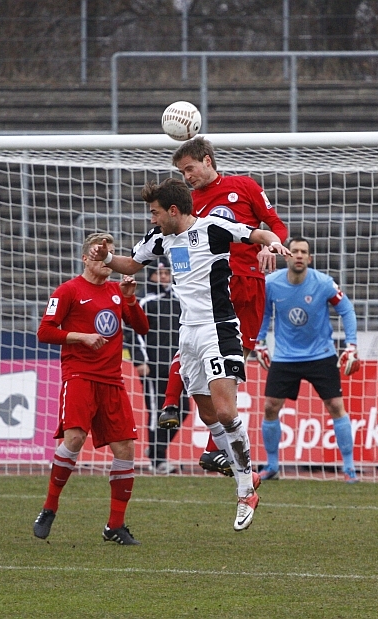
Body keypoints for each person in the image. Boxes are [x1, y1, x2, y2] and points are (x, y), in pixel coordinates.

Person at [94, 178, 291, 531]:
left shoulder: (212, 228)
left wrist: (274, 242)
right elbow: (130, 264)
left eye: (154, 212)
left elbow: (255, 234)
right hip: (189, 335)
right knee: (205, 409)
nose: (151, 219)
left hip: (219, 328)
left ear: (173, 210)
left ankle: (246, 489)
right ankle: (239, 470)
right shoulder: (160, 239)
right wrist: (106, 257)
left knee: (227, 411)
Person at [157, 136, 291, 478]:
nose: (187, 176)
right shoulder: (185, 205)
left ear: (207, 161)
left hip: (249, 284)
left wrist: (272, 247)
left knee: (233, 360)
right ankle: (172, 405)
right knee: (193, 338)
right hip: (212, 288)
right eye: (181, 172)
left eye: (189, 168)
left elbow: (275, 226)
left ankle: (214, 446)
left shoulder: (243, 186)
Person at [33, 232, 149, 545]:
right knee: (74, 438)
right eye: (102, 254)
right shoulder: (68, 290)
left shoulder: (116, 290)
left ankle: (115, 525)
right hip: (80, 376)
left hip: (112, 380)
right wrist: (80, 337)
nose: (108, 260)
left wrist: (129, 299)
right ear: (86, 258)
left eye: (111, 254)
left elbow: (142, 328)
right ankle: (50, 507)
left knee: (126, 448)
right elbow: (44, 331)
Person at [255, 237, 361, 482]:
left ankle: (349, 468)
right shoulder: (272, 283)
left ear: (310, 258)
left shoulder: (323, 283)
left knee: (336, 407)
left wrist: (351, 345)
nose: (299, 255)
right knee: (270, 407)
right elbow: (264, 312)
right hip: (285, 356)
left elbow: (346, 309)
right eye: (295, 251)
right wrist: (259, 341)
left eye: (304, 252)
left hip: (320, 355)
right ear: (287, 255)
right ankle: (272, 466)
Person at [127, 255, 190, 474]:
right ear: (151, 275)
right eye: (159, 273)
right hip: (153, 365)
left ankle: (157, 449)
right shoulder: (144, 300)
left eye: (166, 273)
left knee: (183, 409)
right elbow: (133, 331)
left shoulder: (178, 298)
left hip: (178, 365)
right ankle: (157, 458)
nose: (163, 277)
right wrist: (140, 360)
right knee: (156, 411)